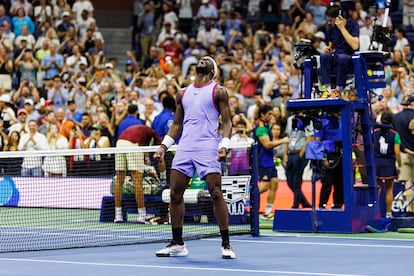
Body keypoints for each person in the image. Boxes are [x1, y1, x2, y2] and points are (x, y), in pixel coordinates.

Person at [153, 56, 236, 259]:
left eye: (207, 59)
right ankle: (178, 243)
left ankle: (226, 244)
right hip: (185, 147)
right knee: (174, 193)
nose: (203, 60)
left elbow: (227, 122)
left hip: (208, 146)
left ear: (212, 70)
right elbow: (177, 124)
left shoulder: (219, 91)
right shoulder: (183, 93)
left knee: (216, 193)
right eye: (201, 58)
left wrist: (223, 145)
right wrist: (164, 146)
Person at [114, 124, 163, 224]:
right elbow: (160, 153)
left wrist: (146, 158)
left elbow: (145, 149)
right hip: (133, 144)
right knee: (138, 181)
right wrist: (163, 175)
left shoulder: (143, 131)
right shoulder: (154, 135)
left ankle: (118, 215)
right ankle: (142, 215)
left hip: (120, 143)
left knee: (119, 180)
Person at [255, 105, 289, 219]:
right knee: (264, 186)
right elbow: (267, 144)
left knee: (274, 183)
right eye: (269, 114)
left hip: (270, 161)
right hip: (263, 162)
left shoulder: (266, 127)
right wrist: (283, 141)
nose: (271, 116)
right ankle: (246, 199)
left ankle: (267, 212)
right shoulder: (260, 128)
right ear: (262, 115)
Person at [319, 5, 359, 98]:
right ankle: (327, 89)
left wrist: (342, 28)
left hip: (349, 56)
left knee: (342, 57)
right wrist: (328, 49)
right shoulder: (331, 29)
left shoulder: (353, 25)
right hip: (336, 55)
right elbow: (331, 47)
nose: (329, 23)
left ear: (339, 18)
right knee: (324, 56)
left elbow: (355, 46)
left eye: (330, 20)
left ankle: (338, 89)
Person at [373, 110, 401, 218]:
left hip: (376, 162)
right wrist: (399, 165)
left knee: (377, 188)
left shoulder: (374, 132)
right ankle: (389, 214)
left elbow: (371, 146)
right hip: (389, 162)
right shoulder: (395, 134)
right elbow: (397, 152)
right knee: (389, 189)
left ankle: (374, 213)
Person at [284, 113, 313, 209]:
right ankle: (304, 202)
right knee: (289, 179)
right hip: (291, 152)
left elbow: (309, 138)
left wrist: (301, 153)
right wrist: (285, 153)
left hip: (300, 152)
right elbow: (289, 136)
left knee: (297, 180)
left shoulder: (308, 120)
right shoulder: (290, 119)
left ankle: (295, 204)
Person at [315, 112, 343, 209]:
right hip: (329, 154)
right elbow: (318, 140)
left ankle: (338, 204)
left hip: (342, 153)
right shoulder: (324, 121)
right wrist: (322, 157)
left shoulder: (345, 119)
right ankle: (322, 204)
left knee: (340, 182)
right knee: (327, 182)